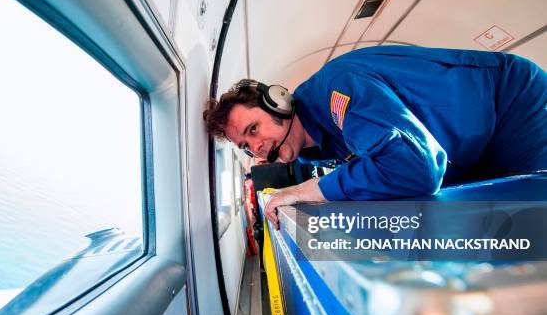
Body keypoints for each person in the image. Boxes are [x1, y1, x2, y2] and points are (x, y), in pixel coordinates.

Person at [203, 46, 546, 227]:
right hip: (473, 148)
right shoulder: (319, 147)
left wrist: (307, 190)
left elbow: (417, 168)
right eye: (246, 146)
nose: (257, 146)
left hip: (514, 106)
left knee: (529, 224)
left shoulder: (336, 92)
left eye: (253, 129)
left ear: (278, 102)